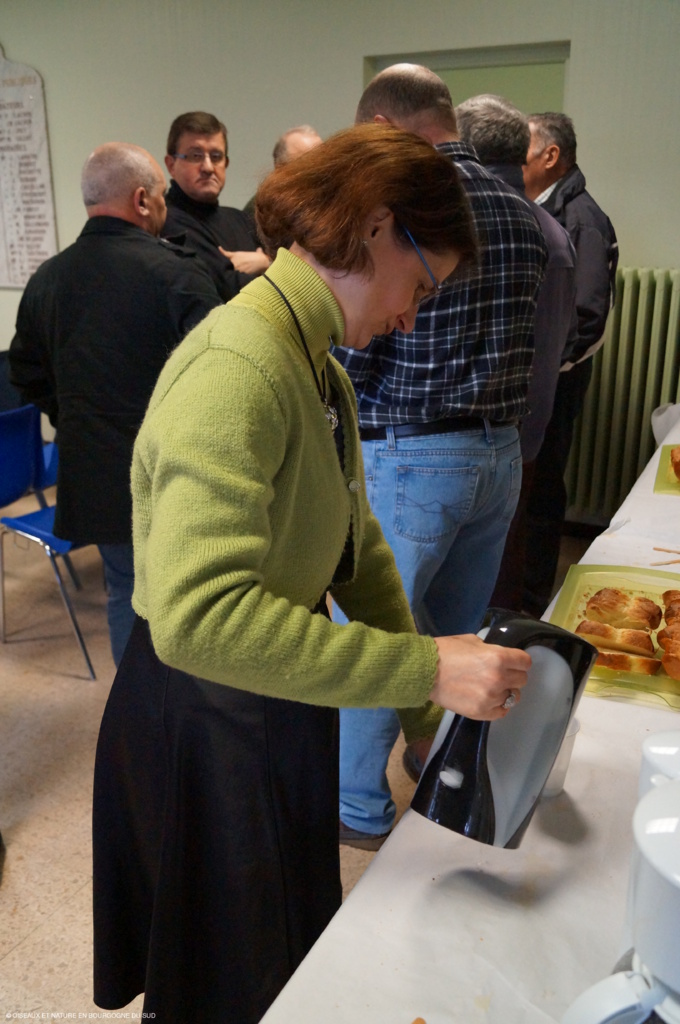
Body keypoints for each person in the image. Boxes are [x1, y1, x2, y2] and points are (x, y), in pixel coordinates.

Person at [91, 123, 532, 1024]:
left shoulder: (314, 365)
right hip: (205, 709)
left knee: (284, 949)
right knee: (225, 975)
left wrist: (424, 720)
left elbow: (359, 555)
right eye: (422, 287)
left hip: (274, 693)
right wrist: (424, 668)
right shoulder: (238, 365)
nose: (413, 317)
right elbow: (200, 621)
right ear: (375, 228)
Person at [333, 64, 547, 848]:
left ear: (382, 127)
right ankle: (437, 766)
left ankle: (356, 806)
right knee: (455, 638)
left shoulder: (408, 206)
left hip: (414, 455)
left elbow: (357, 348)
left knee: (377, 638)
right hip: (499, 454)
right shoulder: (523, 210)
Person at [8, 143, 221, 666]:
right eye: (163, 197)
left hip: (94, 477)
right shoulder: (177, 275)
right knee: (196, 597)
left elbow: (25, 373)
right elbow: (223, 376)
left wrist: (71, 417)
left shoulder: (46, 280)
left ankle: (136, 707)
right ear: (143, 200)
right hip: (176, 472)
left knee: (126, 590)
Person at [454, 94, 577, 611]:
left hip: (452, 440)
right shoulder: (554, 233)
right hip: (522, 440)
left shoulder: (461, 226)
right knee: (499, 574)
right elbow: (558, 346)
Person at [521, 112, 619, 615]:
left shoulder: (580, 220)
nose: (514, 160)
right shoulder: (548, 208)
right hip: (542, 379)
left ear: (551, 156)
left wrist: (540, 372)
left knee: (540, 492)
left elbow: (587, 317)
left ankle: (533, 600)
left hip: (554, 383)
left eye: (523, 149)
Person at [163, 110, 270, 299]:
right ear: (171, 165)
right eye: (195, 156)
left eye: (216, 156)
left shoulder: (241, 219)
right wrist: (270, 266)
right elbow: (230, 290)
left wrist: (265, 262)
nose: (208, 167)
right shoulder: (167, 222)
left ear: (226, 163)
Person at [243, 124, 322, 219]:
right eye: (306, 162)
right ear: (280, 168)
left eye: (322, 159)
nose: (318, 168)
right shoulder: (262, 209)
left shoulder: (330, 201)